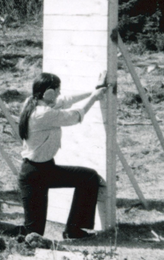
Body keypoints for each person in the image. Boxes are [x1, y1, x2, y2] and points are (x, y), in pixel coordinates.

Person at [17, 71, 109, 240]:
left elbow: (65, 101)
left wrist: (93, 91)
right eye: (57, 90)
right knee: (33, 233)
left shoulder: (33, 103)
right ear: (49, 93)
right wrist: (94, 98)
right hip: (34, 174)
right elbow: (75, 116)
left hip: (42, 170)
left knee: (88, 178)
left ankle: (73, 230)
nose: (59, 94)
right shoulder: (43, 113)